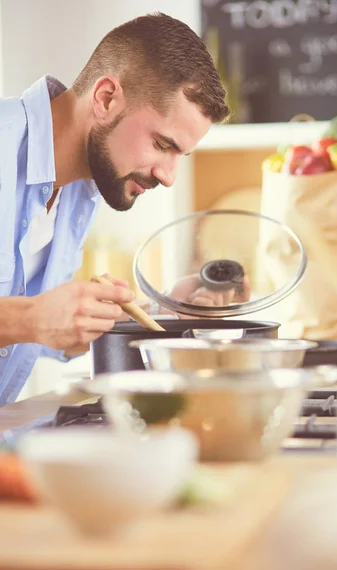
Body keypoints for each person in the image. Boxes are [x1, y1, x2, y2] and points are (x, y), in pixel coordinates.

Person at [0, 12, 251, 404]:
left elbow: (41, 334)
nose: (168, 176)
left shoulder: (81, 189)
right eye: (163, 145)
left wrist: (163, 311)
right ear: (106, 98)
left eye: (181, 155)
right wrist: (30, 318)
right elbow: (32, 320)